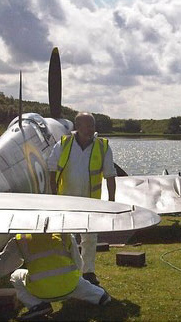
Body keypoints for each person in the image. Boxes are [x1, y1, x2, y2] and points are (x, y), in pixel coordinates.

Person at [0, 232, 110, 321]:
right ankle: (100, 296)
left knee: (15, 275)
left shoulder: (21, 238)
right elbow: (78, 263)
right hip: (71, 286)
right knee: (79, 281)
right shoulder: (65, 235)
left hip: (40, 291)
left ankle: (37, 306)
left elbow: (2, 265)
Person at [47, 112, 116, 286]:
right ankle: (65, 270)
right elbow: (51, 168)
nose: (91, 129)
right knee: (64, 237)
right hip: (66, 200)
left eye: (92, 125)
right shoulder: (63, 144)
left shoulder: (103, 146)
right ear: (77, 127)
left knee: (90, 237)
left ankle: (88, 272)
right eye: (87, 126)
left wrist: (112, 202)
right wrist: (54, 194)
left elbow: (110, 175)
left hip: (91, 200)